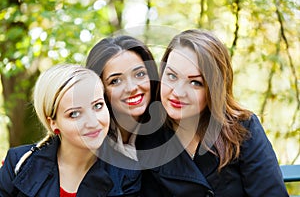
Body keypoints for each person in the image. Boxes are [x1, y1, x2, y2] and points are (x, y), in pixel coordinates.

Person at [138, 29, 289, 196]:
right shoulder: (149, 134)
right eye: (172, 76)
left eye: (195, 83)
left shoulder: (243, 129)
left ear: (214, 89)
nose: (178, 92)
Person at [0, 64, 113, 196]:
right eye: (74, 114)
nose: (92, 122)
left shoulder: (128, 171)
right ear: (53, 123)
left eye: (98, 106)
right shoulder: (19, 164)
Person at [86, 35, 160, 196]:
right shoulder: (87, 144)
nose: (132, 88)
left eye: (139, 74)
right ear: (100, 89)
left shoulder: (169, 133)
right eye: (115, 81)